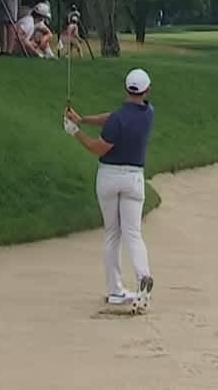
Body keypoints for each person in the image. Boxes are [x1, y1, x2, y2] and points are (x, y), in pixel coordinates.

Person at [64, 68, 156, 310]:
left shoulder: (118, 120)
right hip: (134, 179)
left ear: (125, 88)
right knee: (133, 232)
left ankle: (115, 291)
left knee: (113, 233)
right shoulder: (149, 113)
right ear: (147, 90)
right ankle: (143, 275)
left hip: (109, 177)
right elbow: (111, 117)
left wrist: (75, 132)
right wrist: (83, 119)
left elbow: (98, 148)